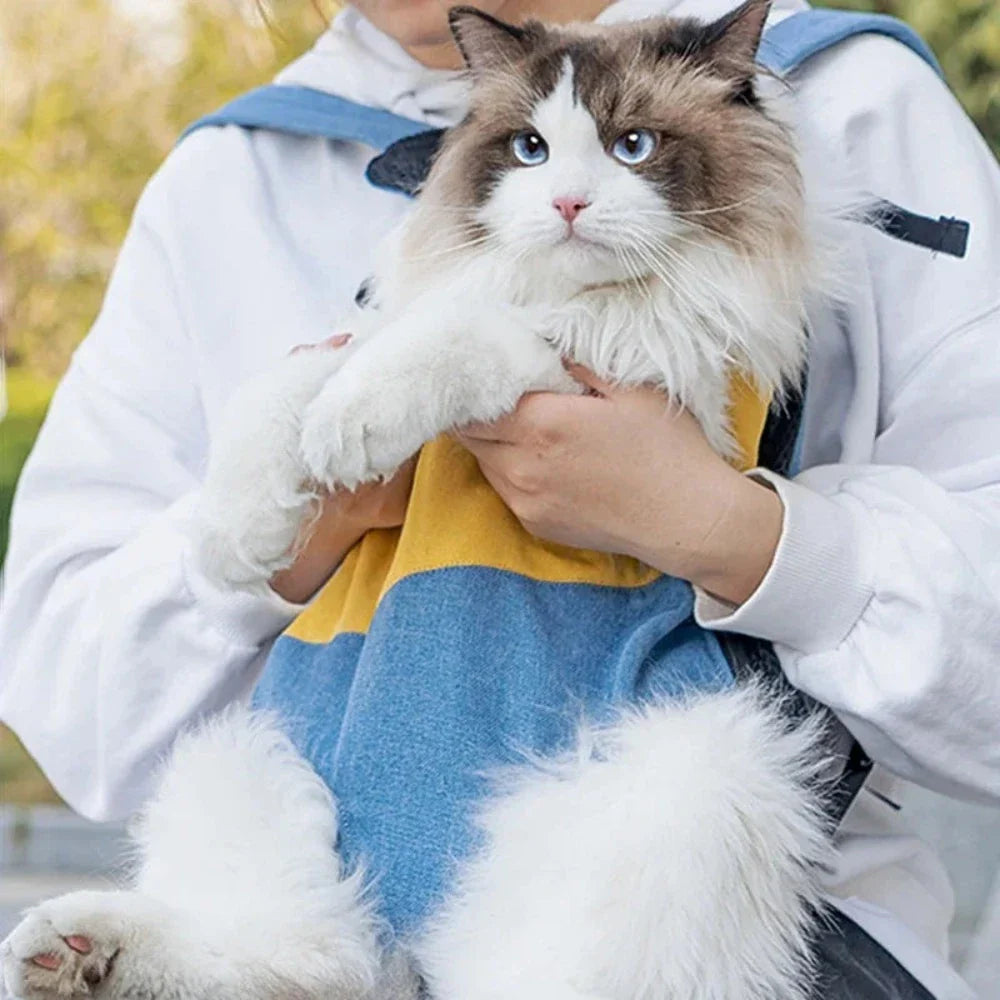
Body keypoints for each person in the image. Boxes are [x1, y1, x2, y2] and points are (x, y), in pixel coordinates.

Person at [0, 0, 997, 996]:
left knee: (689, 809)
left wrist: (737, 534)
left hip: (761, 932)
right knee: (225, 813)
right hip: (326, 862)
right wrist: (299, 528)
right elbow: (73, 703)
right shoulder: (228, 173)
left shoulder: (849, 95)